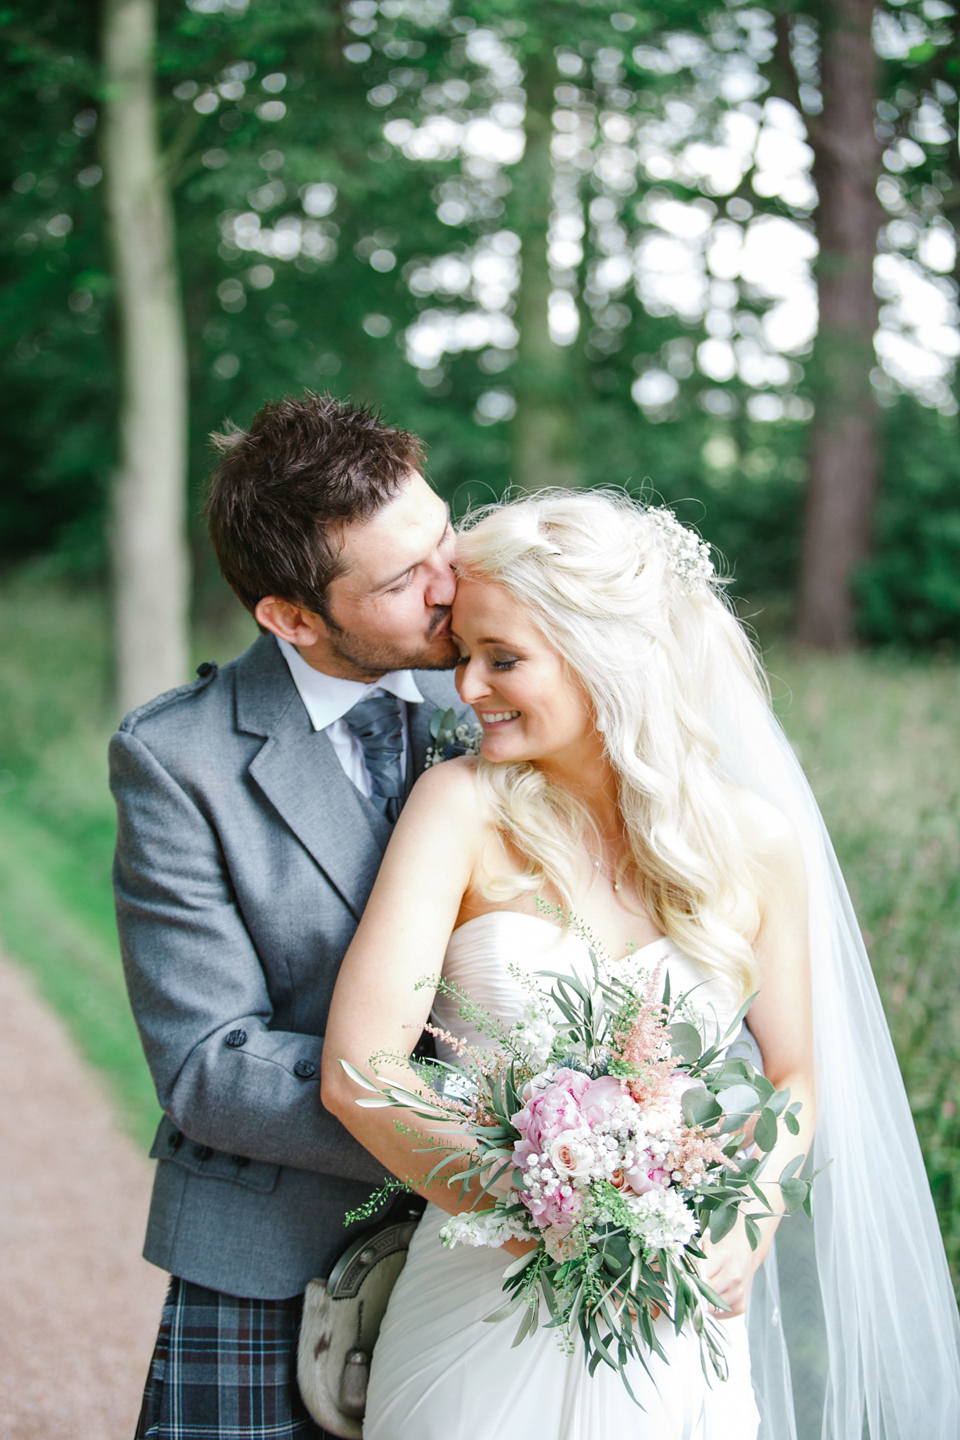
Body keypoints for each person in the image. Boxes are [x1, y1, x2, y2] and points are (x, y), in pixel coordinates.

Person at [321, 490, 960, 1439]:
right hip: (482, 1311)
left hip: (680, 1321)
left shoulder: (757, 842)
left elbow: (793, 1077)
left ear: (601, 661)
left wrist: (750, 1225)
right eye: (465, 657)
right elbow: (357, 1073)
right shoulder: (459, 808)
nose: (468, 688)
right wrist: (556, 1214)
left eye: (503, 659)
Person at [110, 392, 468, 1440]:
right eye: (404, 582)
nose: (451, 588)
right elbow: (211, 1067)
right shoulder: (177, 759)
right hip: (276, 1255)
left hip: (509, 1273)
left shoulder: (512, 691)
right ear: (293, 617)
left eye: (443, 538)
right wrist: (496, 1128)